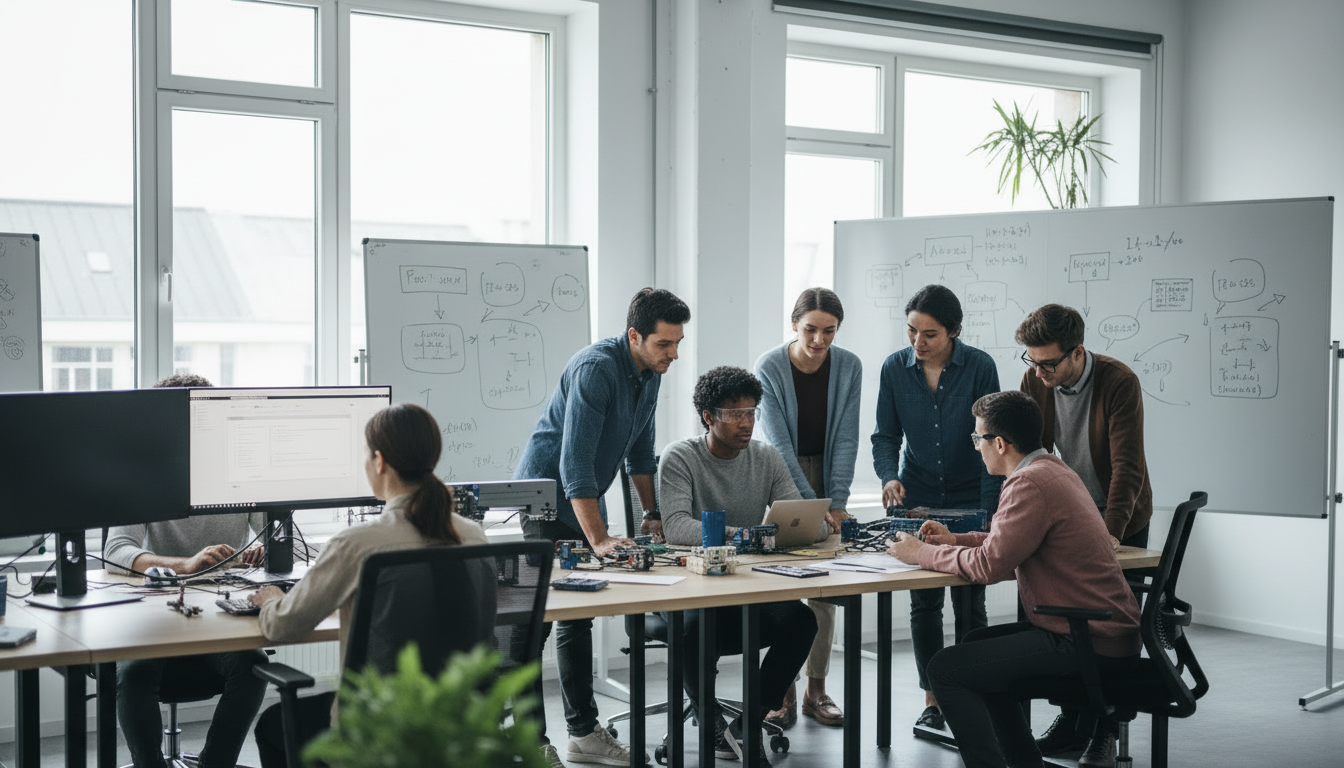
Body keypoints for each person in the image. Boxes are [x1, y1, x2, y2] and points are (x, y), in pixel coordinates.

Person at [887, 390, 1141, 768]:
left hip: (1085, 641)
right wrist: (956, 540)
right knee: (974, 645)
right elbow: (1010, 549)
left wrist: (920, 553)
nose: (977, 447)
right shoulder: (1052, 470)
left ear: (1000, 443)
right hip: (1102, 633)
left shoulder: (1028, 484)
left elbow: (990, 567)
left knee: (945, 669)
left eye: (978, 439)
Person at [248, 402, 489, 767]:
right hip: (456, 725)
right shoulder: (473, 535)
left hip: (376, 730)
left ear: (379, 462)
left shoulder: (358, 543)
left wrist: (270, 600)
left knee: (272, 724)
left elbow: (283, 626)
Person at [513, 287, 690, 767]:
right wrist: (599, 539)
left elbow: (640, 453)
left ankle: (583, 734)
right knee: (535, 621)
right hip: (545, 498)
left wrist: (652, 514)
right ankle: (527, 742)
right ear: (635, 335)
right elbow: (574, 464)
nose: (673, 355)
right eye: (664, 345)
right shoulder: (597, 369)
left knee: (578, 617)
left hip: (585, 496)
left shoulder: (648, 372)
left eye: (677, 344)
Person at [103, 373, 269, 768]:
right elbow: (115, 550)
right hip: (154, 619)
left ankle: (217, 764)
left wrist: (266, 548)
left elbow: (287, 540)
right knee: (134, 672)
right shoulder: (141, 475)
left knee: (254, 667)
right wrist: (185, 565)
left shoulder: (239, 473)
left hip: (219, 618)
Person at [659, 366, 820, 766]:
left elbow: (797, 516)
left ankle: (749, 723)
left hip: (746, 589)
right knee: (695, 627)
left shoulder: (766, 457)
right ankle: (709, 718)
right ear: (708, 416)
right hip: (690, 589)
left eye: (751, 412)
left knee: (802, 621)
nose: (746, 423)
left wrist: (812, 525)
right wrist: (749, 535)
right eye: (734, 414)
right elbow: (677, 526)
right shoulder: (680, 456)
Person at [1015, 303, 1153, 765]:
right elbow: (1026, 454)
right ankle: (1072, 720)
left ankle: (1106, 729)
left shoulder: (1118, 381)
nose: (1039, 372)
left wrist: (1110, 532)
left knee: (1110, 630)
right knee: (1061, 626)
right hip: (1067, 517)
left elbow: (1128, 468)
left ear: (1077, 353)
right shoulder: (1036, 378)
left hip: (1120, 515)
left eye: (1048, 363)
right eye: (1031, 361)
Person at [871, 283, 1003, 732]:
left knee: (970, 603)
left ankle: (972, 689)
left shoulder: (980, 367)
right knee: (924, 606)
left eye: (929, 334)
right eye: (911, 331)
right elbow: (885, 436)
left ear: (954, 332)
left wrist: (989, 512)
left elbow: (994, 444)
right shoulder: (894, 368)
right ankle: (934, 699)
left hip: (971, 494)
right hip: (918, 495)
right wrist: (889, 476)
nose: (917, 343)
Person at [753, 287, 860, 729]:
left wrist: (836, 502)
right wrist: (809, 506)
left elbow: (847, 438)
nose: (819, 340)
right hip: (778, 475)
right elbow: (778, 446)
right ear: (794, 325)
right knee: (782, 584)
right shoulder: (770, 366)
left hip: (826, 474)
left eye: (829, 331)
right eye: (811, 329)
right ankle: (783, 692)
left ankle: (817, 690)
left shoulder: (849, 365)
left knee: (824, 588)